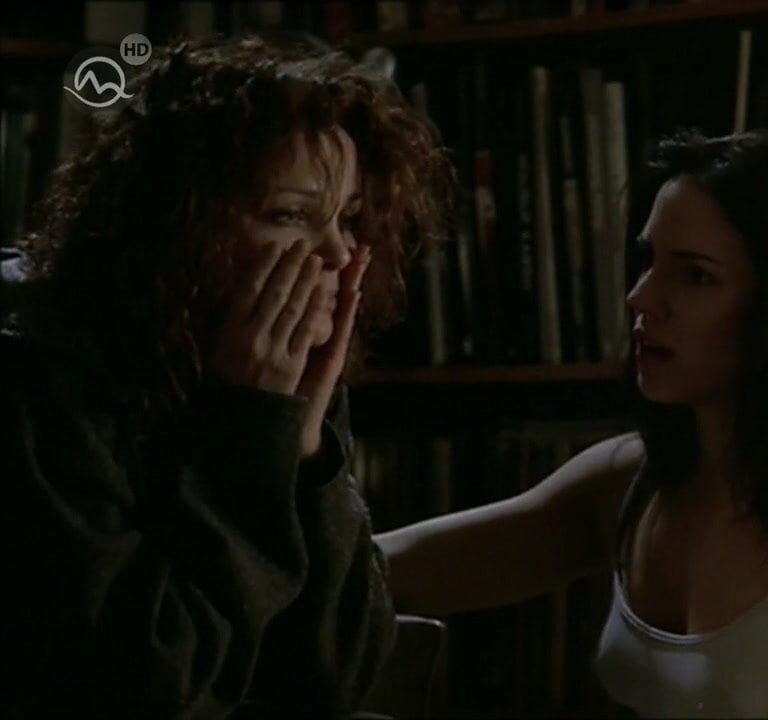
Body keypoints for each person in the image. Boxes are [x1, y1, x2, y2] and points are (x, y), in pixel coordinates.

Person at [375, 129, 768, 717]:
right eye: (648, 261)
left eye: (695, 275)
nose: (640, 298)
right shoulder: (635, 481)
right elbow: (390, 570)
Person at [0, 32, 452, 719]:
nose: (338, 253)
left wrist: (305, 453)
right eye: (289, 215)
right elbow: (146, 683)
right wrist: (250, 432)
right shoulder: (36, 374)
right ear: (180, 221)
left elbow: (337, 673)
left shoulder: (276, 365)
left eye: (348, 217)